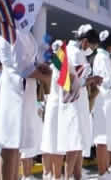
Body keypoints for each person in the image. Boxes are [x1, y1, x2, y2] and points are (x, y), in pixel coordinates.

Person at [0, 22, 52, 180]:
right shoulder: (12, 33)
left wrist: (39, 67)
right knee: (9, 142)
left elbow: (27, 62)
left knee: (17, 144)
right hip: (14, 89)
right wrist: (46, 77)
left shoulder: (24, 32)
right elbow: (22, 66)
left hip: (23, 90)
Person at [58, 25, 101, 180]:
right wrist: (93, 79)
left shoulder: (71, 51)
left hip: (76, 101)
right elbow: (74, 82)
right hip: (73, 102)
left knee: (78, 142)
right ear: (84, 42)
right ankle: (67, 177)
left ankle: (77, 176)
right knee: (74, 142)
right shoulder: (74, 53)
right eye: (92, 46)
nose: (91, 50)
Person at [91, 31, 111, 180]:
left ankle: (106, 171)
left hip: (106, 99)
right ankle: (102, 172)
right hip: (104, 100)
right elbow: (106, 81)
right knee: (102, 137)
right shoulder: (102, 58)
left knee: (106, 136)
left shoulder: (104, 57)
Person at [41, 40, 65, 180]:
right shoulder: (58, 68)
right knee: (55, 142)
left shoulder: (51, 67)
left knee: (49, 141)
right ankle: (54, 175)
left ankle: (49, 173)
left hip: (52, 106)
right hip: (56, 107)